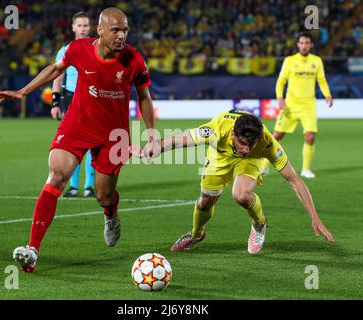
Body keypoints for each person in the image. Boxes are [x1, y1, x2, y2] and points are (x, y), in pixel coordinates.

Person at [0, 7, 159, 272]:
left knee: (104, 196)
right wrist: (23, 92)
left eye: (125, 30)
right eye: (115, 30)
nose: (121, 36)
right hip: (78, 125)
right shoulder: (78, 49)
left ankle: (110, 214)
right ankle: (33, 249)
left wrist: (152, 136)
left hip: (114, 135)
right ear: (100, 30)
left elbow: (145, 97)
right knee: (57, 175)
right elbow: (56, 69)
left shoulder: (134, 60)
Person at [136, 110, 334, 254]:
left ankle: (259, 224)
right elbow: (179, 140)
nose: (246, 149)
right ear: (232, 135)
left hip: (251, 164)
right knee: (205, 201)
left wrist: (314, 216)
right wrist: (154, 148)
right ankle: (196, 234)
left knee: (241, 195)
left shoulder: (266, 144)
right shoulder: (217, 129)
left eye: (251, 144)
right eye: (242, 143)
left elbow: (294, 180)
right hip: (220, 155)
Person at [261, 32, 333, 179]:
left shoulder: (317, 61)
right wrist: (280, 98)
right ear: (298, 44)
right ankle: (263, 167)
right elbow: (281, 81)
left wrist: (328, 94)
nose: (304, 45)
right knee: (277, 136)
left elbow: (321, 80)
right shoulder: (289, 61)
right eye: (302, 42)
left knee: (310, 137)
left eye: (307, 43)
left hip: (308, 106)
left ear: (311, 45)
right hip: (290, 106)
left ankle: (306, 169)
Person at [52, 11, 95, 198]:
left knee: (93, 143)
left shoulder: (97, 47)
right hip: (71, 99)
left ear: (90, 27)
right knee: (74, 144)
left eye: (86, 25)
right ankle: (74, 186)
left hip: (93, 98)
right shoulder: (65, 50)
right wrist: (55, 102)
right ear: (73, 28)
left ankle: (89, 187)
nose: (83, 29)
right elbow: (57, 77)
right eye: (80, 25)